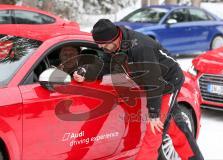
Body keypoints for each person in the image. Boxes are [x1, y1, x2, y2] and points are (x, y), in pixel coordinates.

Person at [74, 19, 203, 160]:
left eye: (104, 44)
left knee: (153, 131)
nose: (102, 47)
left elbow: (154, 81)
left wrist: (154, 113)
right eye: (99, 45)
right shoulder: (113, 47)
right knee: (175, 124)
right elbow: (107, 66)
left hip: (166, 82)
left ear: (114, 38)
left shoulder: (140, 47)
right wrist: (86, 73)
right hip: (150, 82)